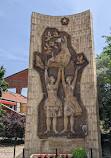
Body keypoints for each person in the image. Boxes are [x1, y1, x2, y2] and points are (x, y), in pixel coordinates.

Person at [61, 66, 82, 133]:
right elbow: (62, 79)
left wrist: (76, 71)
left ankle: (72, 129)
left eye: (68, 78)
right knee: (65, 115)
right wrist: (62, 71)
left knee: (72, 115)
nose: (67, 79)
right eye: (67, 78)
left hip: (72, 101)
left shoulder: (72, 85)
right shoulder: (65, 86)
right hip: (67, 101)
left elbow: (75, 78)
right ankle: (65, 129)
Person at [44, 67, 62, 134]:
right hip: (49, 102)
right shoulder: (48, 86)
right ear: (50, 79)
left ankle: (54, 129)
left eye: (54, 78)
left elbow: (58, 78)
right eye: (52, 78)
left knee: (54, 117)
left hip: (55, 102)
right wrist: (45, 70)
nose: (54, 79)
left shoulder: (55, 86)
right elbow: (46, 78)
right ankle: (48, 129)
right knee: (48, 117)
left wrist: (59, 71)